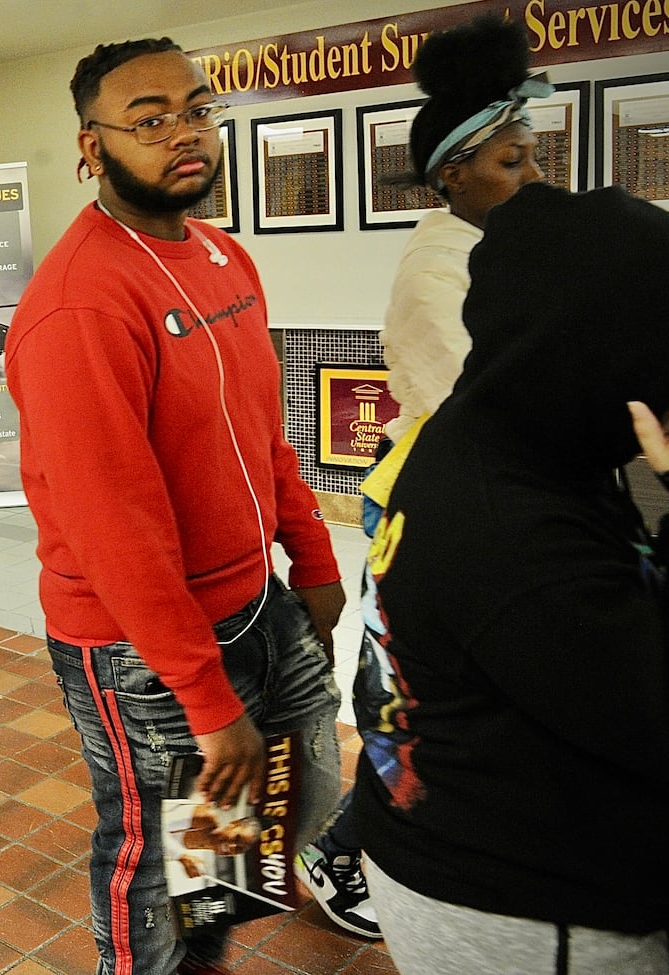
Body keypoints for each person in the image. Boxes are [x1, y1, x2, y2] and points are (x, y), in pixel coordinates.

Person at [3, 39, 344, 975]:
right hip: (140, 642)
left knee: (242, 851)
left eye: (196, 110)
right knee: (157, 870)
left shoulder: (222, 255)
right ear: (92, 146)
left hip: (253, 602)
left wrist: (309, 559)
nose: (183, 134)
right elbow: (114, 527)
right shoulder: (79, 304)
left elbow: (263, 431)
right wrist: (204, 695)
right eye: (149, 120)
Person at [352, 183, 669, 974]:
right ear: (590, 342)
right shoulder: (510, 525)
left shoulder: (510, 429)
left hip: (475, 851)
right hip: (522, 910)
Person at [294, 14, 550, 940]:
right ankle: (338, 856)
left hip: (488, 503)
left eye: (531, 157)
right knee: (407, 699)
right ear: (451, 175)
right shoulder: (436, 273)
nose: (533, 177)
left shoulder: (506, 249)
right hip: (431, 504)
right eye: (513, 162)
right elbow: (487, 408)